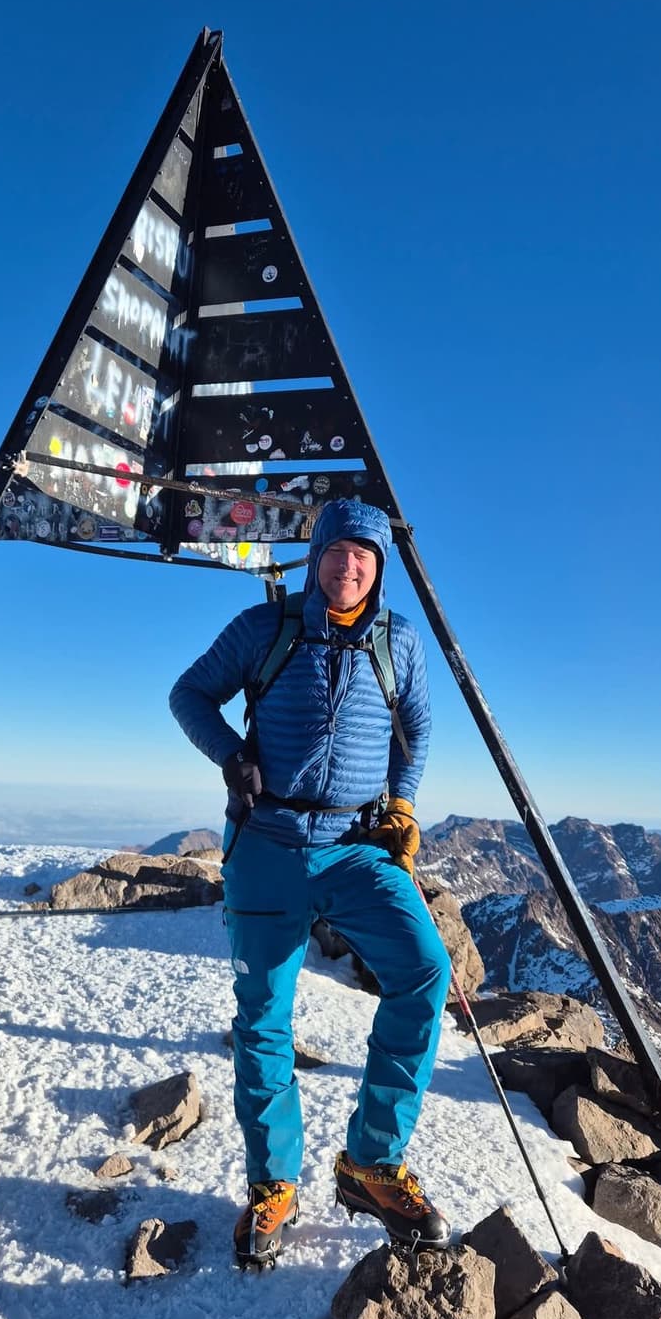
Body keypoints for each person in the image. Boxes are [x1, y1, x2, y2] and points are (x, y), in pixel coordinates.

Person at [169, 497, 453, 1268]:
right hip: (267, 842)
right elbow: (188, 694)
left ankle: (370, 1162)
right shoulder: (265, 628)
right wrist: (232, 756)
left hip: (358, 846)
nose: (349, 564)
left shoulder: (400, 642)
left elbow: (417, 726)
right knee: (263, 1015)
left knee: (426, 969)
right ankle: (274, 1184)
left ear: (379, 567)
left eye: (364, 554)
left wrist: (402, 802)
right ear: (315, 556)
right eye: (337, 551)